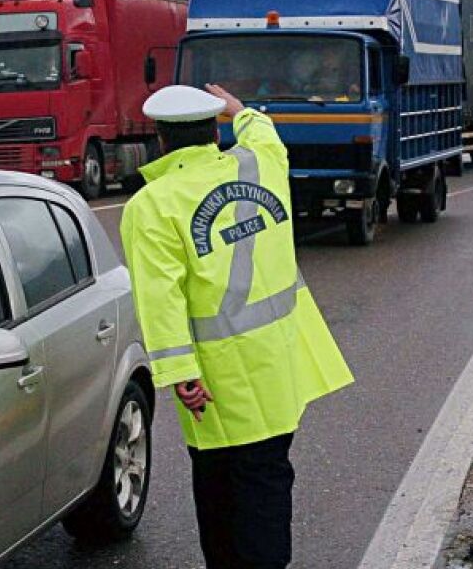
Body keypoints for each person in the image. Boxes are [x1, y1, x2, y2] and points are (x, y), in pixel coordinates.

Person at [120, 84, 354, 569]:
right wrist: (241, 110)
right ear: (214, 132)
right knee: (266, 477)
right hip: (280, 363)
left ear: (160, 140)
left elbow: (161, 299)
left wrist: (181, 373)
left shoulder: (153, 205)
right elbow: (265, 134)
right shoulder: (260, 164)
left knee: (221, 489)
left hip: (217, 379)